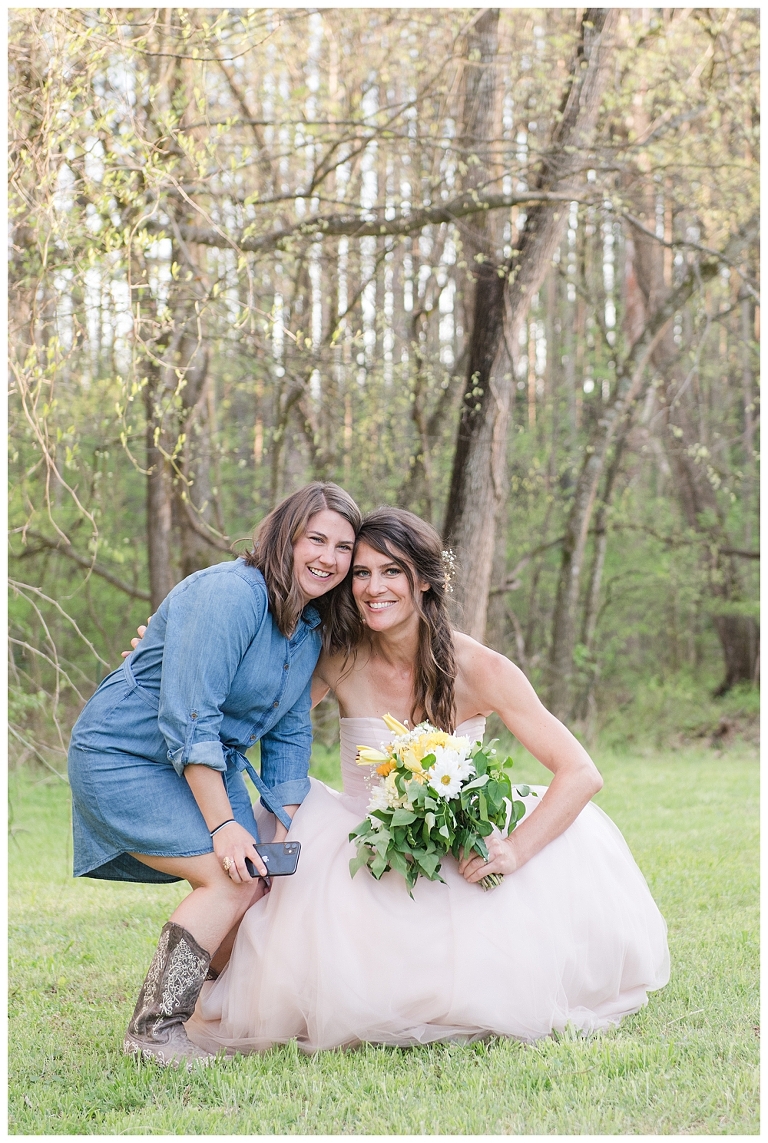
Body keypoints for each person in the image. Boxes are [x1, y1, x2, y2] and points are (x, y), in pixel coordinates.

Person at [182, 508, 669, 1053]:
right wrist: (172, 655)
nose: (373, 588)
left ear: (426, 579)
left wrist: (514, 851)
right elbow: (249, 712)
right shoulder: (337, 658)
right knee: (272, 845)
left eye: (392, 572)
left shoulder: (481, 669)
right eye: (361, 573)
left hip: (459, 846)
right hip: (361, 835)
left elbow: (581, 772)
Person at [67, 482, 362, 1066]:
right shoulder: (229, 594)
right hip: (126, 756)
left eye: (344, 547)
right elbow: (191, 720)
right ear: (285, 537)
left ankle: (211, 1016)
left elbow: (288, 735)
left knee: (257, 875)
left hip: (204, 763)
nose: (329, 557)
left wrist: (284, 829)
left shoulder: (307, 629)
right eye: (316, 539)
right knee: (231, 877)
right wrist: (226, 825)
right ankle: (153, 1033)